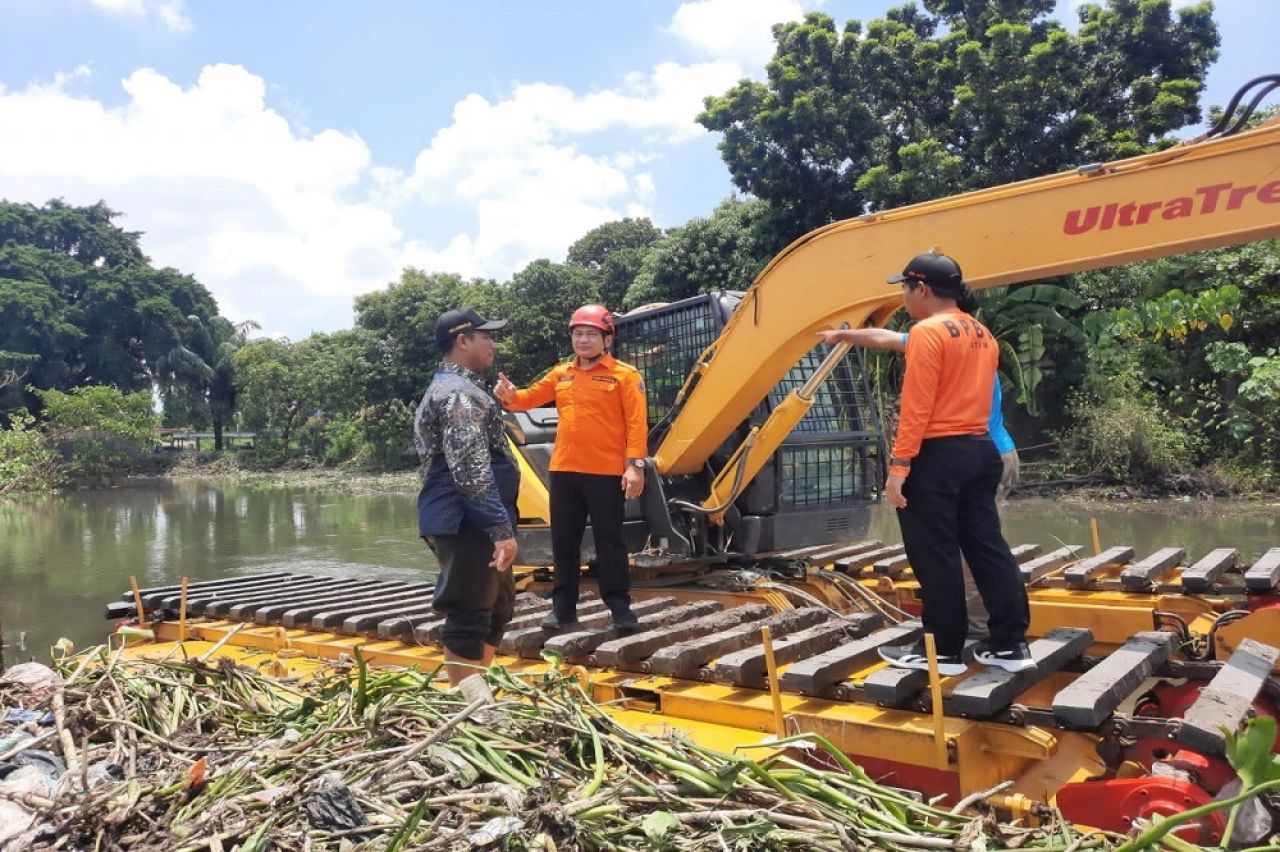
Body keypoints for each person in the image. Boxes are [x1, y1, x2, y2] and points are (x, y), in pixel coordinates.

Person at [835, 252, 1031, 675]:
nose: (904, 298)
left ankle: (942, 652)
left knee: (934, 554)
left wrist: (899, 468)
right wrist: (844, 336)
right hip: (980, 451)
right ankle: (1010, 644)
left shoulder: (928, 332)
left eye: (904, 289)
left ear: (921, 289)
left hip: (938, 456)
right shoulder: (982, 333)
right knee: (988, 549)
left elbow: (917, 408)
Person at [817, 324, 1020, 640]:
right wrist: (846, 335)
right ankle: (988, 625)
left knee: (967, 551)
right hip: (996, 452)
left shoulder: (942, 356)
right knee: (984, 543)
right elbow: (887, 338)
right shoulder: (972, 345)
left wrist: (901, 468)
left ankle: (977, 631)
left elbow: (917, 416)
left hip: (973, 457)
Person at [494, 304, 648, 632]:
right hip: (564, 471)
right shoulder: (561, 374)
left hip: (607, 473)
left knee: (610, 541)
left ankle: (620, 609)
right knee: (564, 541)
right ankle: (563, 609)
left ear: (607, 338)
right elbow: (528, 398)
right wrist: (508, 395)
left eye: (591, 334)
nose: (583, 340)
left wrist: (635, 466)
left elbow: (637, 424)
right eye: (578, 334)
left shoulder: (625, 375)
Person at [414, 307, 520, 687]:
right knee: (470, 610)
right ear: (463, 341)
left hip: (476, 520)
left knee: (496, 609)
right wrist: (499, 529)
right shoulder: (458, 394)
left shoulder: (464, 389)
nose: (493, 343)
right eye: (486, 336)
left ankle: (477, 693)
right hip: (466, 520)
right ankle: (467, 709)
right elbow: (470, 468)